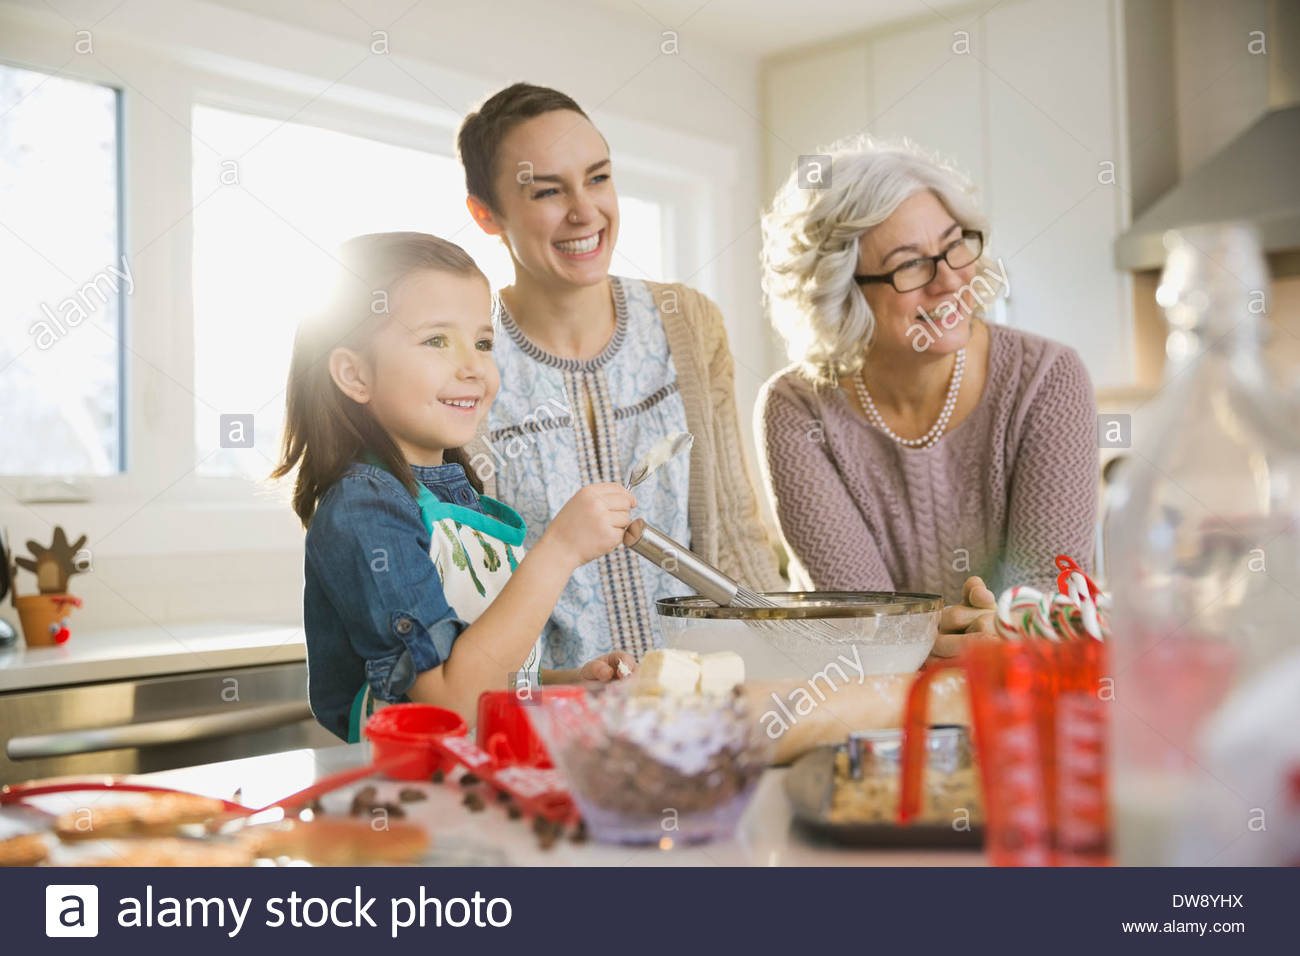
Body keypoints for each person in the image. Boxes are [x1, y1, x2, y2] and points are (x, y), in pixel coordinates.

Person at [456, 83, 782, 670]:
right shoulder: (467, 364)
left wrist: (791, 661)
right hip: (552, 722)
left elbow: (735, 532)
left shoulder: (689, 323)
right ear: (486, 214)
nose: (585, 211)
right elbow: (472, 594)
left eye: (598, 178)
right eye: (548, 191)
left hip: (700, 707)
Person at [273, 232, 636, 741]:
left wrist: (568, 684)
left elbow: (485, 674)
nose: (473, 367)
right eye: (436, 340)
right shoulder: (363, 510)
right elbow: (451, 703)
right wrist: (560, 550)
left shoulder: (458, 499)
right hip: (410, 798)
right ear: (355, 375)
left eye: (483, 343)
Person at [757, 140, 1098, 656]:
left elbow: (1043, 610)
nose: (950, 281)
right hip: (872, 707)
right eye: (911, 265)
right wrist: (959, 634)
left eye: (954, 244)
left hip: (1028, 697)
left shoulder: (1048, 380)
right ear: (841, 291)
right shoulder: (796, 408)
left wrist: (939, 634)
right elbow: (864, 633)